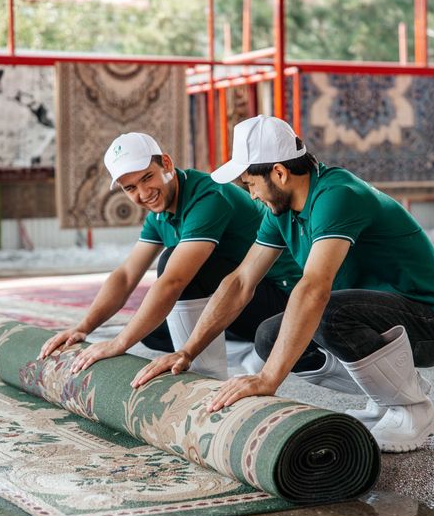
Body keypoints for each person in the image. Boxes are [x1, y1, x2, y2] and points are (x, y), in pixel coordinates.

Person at [134, 115, 434, 453]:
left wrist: (268, 379)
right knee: (269, 336)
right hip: (380, 319)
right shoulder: (281, 211)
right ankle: (387, 393)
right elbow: (241, 281)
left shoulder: (337, 195)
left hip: (432, 323)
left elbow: (314, 288)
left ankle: (412, 409)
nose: (252, 195)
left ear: (279, 173)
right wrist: (187, 352)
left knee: (325, 311)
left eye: (251, 184)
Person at [39, 131, 302, 379]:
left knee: (172, 266)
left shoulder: (209, 196)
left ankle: (208, 374)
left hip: (281, 305)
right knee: (150, 330)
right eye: (130, 188)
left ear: (166, 164)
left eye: (147, 178)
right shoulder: (160, 213)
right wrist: (83, 327)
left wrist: (119, 343)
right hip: (236, 304)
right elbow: (127, 275)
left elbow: (174, 280)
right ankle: (235, 347)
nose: (143, 194)